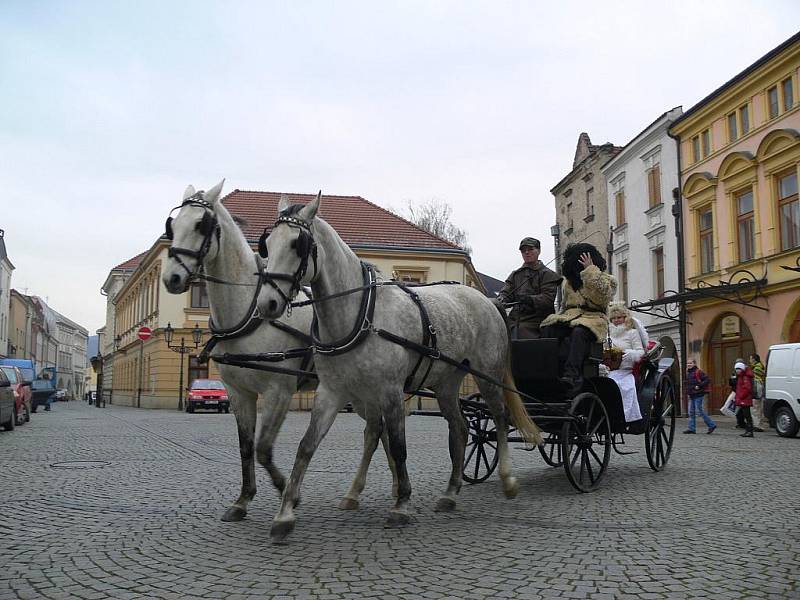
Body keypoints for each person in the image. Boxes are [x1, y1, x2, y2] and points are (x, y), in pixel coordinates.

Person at [541, 242, 617, 395]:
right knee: (549, 327)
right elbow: (564, 305)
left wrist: (590, 270)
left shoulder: (608, 280)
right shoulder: (569, 283)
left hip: (594, 319)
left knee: (579, 332)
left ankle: (571, 375)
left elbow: (602, 297)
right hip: (570, 317)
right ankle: (547, 372)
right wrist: (559, 319)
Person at [497, 237, 561, 339]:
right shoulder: (515, 275)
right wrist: (501, 299)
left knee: (520, 332)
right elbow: (506, 292)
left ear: (538, 251)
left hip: (538, 320)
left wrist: (530, 300)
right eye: (523, 250)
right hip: (514, 319)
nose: (527, 252)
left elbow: (548, 299)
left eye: (530, 249)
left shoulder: (548, 274)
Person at [606, 302, 644, 422]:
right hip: (609, 370)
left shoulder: (632, 333)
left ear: (625, 317)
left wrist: (629, 353)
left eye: (619, 317)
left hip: (625, 371)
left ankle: (623, 417)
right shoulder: (607, 334)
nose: (616, 320)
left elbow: (640, 352)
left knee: (623, 387)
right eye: (614, 318)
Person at [683, 358, 716, 434]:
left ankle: (711, 425)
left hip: (698, 394)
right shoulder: (688, 373)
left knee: (699, 411)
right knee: (691, 412)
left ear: (694, 364)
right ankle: (692, 429)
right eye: (688, 363)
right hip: (692, 394)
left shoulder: (698, 372)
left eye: (690, 363)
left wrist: (699, 385)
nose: (689, 365)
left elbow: (707, 379)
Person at [733, 360, 755, 437]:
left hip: (745, 399)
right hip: (743, 399)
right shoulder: (741, 376)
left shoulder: (745, 377)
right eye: (736, 369)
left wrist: (741, 396)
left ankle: (749, 431)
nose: (737, 371)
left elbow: (747, 388)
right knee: (744, 415)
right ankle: (748, 430)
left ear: (742, 369)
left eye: (738, 369)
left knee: (747, 415)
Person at [749, 353, 767, 431]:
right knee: (759, 408)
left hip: (756, 389)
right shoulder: (761, 366)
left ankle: (757, 425)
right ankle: (760, 424)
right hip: (761, 388)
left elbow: (754, 378)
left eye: (750, 359)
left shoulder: (756, 368)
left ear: (754, 359)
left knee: (755, 408)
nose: (750, 360)